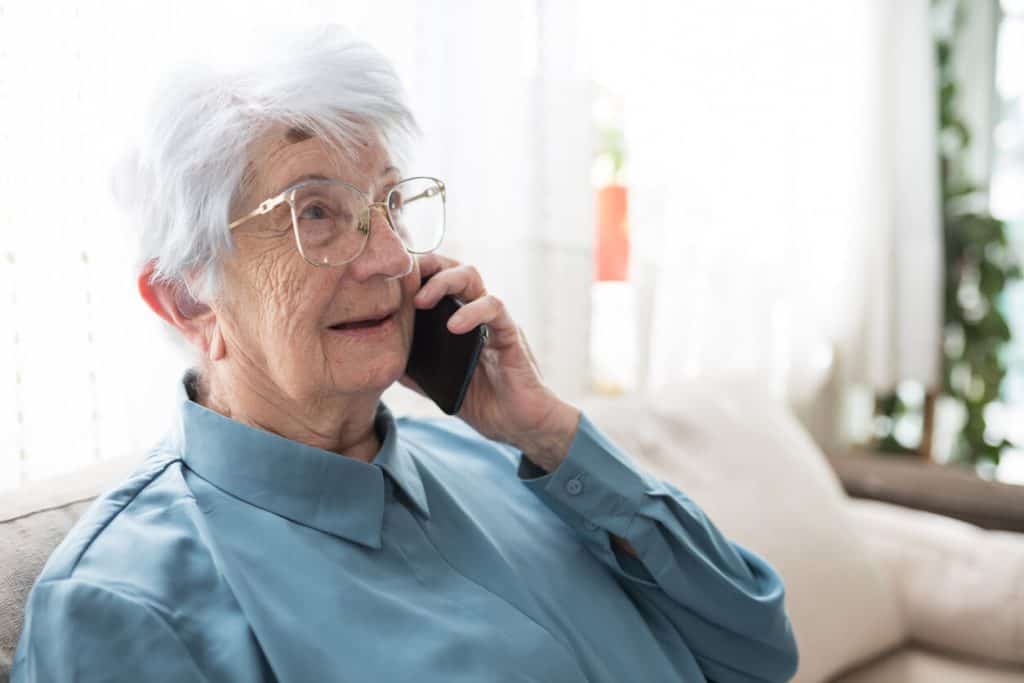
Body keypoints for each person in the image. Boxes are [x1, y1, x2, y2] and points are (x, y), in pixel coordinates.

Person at [12, 25, 798, 682]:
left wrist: (549, 435)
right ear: (188, 298)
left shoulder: (504, 460)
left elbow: (759, 649)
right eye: (316, 210)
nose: (390, 257)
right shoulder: (121, 604)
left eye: (390, 201)